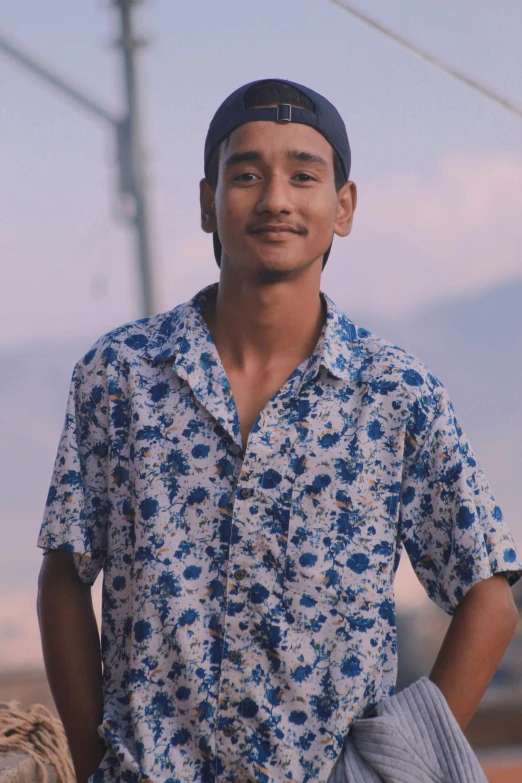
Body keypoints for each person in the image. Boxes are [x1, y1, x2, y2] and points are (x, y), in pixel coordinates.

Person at [37, 78, 522, 783]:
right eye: (246, 175)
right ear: (208, 202)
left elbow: (490, 594)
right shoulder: (120, 378)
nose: (276, 199)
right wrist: (94, 766)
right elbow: (64, 572)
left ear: (343, 205)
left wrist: (396, 767)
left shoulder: (395, 394)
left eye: (303, 174)